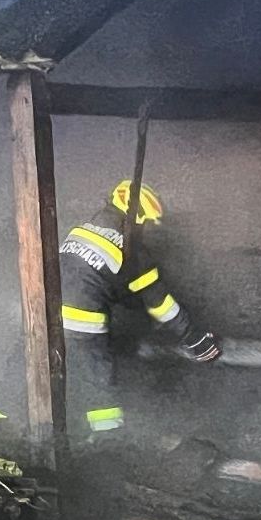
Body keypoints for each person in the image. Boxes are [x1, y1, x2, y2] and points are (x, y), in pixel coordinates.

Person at [59, 180, 221, 437]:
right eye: (144, 223)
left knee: (26, 376)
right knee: (99, 390)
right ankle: (108, 447)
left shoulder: (81, 230)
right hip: (83, 329)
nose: (145, 229)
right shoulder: (132, 253)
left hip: (43, 320)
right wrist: (194, 339)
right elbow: (161, 305)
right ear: (137, 218)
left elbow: (93, 278)